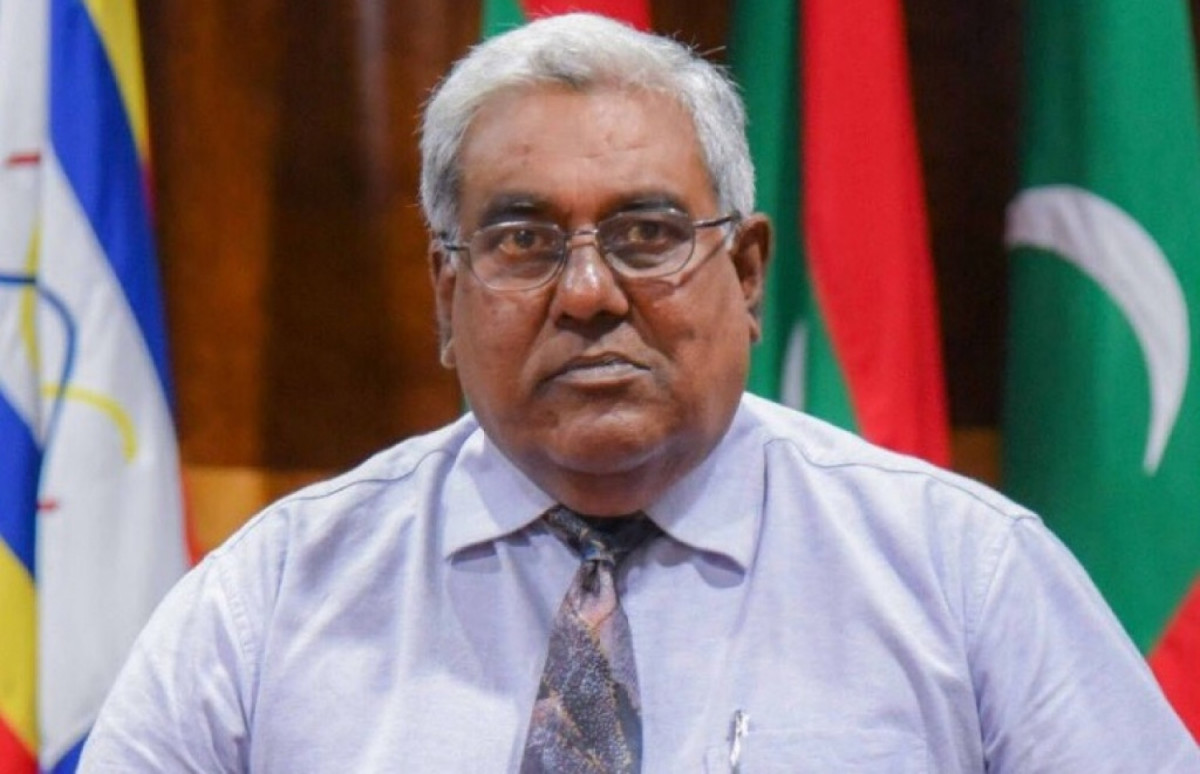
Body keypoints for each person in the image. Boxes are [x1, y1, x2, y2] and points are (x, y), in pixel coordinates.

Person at [80, 13, 1198, 772]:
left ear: (747, 274)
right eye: (522, 240)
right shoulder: (271, 603)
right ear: (447, 295)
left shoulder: (963, 577)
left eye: (648, 233)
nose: (587, 294)